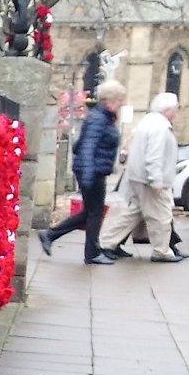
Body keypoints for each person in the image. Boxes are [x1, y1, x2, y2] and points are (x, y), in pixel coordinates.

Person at [40, 79, 124, 262]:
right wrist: (87, 175)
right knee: (95, 212)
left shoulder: (101, 118)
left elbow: (79, 145)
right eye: (119, 101)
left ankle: (51, 235)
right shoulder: (99, 119)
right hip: (93, 172)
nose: (121, 104)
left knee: (90, 212)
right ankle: (92, 254)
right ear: (110, 100)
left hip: (94, 170)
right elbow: (87, 147)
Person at [100, 91, 186, 262]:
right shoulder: (160, 127)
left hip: (138, 177)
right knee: (161, 215)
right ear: (167, 109)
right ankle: (161, 251)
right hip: (148, 179)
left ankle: (106, 243)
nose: (177, 112)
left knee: (131, 213)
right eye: (176, 108)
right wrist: (156, 181)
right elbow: (154, 157)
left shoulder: (148, 121)